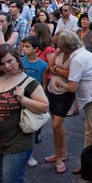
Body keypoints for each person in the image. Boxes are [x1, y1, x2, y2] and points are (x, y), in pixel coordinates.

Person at [53, 30, 92, 182]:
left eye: (60, 46)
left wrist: (60, 83)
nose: (58, 48)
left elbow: (72, 87)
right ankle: (88, 164)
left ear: (66, 46)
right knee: (90, 134)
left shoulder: (78, 59)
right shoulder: (84, 54)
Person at [0, 44, 48, 183]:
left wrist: (23, 99)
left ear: (17, 58)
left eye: (10, 61)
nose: (7, 66)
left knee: (11, 180)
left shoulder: (28, 82)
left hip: (17, 143)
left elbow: (44, 107)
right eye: (2, 64)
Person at [45, 31, 76, 173]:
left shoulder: (76, 55)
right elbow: (50, 67)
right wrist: (59, 69)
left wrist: (56, 70)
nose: (57, 45)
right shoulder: (59, 51)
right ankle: (62, 153)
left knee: (56, 125)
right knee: (58, 126)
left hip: (66, 93)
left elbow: (71, 75)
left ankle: (58, 157)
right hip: (52, 91)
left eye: (59, 43)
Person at [20, 35, 49, 167]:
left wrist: (40, 98)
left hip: (34, 99)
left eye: (27, 47)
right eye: (23, 46)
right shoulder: (20, 61)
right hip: (20, 97)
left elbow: (43, 84)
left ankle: (29, 153)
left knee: (32, 125)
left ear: (36, 49)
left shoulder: (43, 65)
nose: (24, 49)